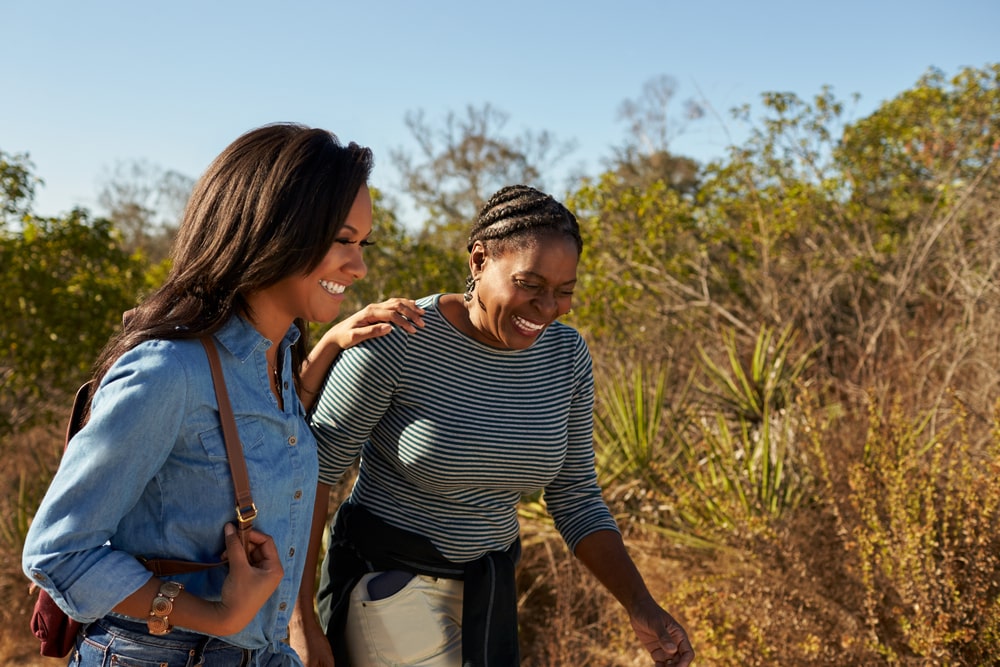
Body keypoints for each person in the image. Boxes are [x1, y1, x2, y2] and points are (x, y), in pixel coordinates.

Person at [21, 122, 422, 667]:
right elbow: (59, 551)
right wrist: (218, 617)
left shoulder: (276, 359)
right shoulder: (170, 372)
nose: (359, 265)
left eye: (363, 243)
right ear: (275, 230)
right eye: (342, 241)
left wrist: (326, 346)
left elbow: (254, 439)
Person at [289, 185, 695, 667]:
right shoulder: (398, 340)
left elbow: (576, 497)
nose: (547, 308)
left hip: (489, 592)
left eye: (565, 292)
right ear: (479, 260)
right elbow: (312, 474)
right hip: (390, 585)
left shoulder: (566, 357)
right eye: (530, 285)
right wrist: (299, 620)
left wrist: (641, 605)